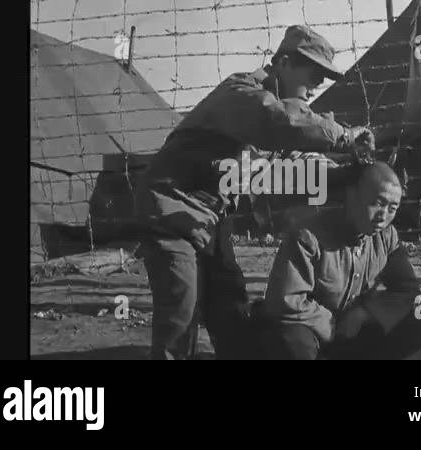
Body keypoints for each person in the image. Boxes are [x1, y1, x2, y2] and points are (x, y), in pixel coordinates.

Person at [135, 25, 375, 359]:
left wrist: (353, 173)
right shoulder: (242, 93)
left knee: (230, 306)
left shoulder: (276, 119)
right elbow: (278, 121)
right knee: (181, 308)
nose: (319, 83)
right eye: (314, 72)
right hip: (170, 209)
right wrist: (345, 137)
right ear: (285, 62)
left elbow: (299, 166)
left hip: (209, 220)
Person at [257, 161, 421, 360]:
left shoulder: (386, 237)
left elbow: (410, 291)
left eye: (392, 208)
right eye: (378, 203)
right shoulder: (308, 237)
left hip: (350, 329)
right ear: (352, 196)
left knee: (416, 320)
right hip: (311, 329)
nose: (383, 216)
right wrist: (333, 324)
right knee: (293, 341)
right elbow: (286, 301)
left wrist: (366, 312)